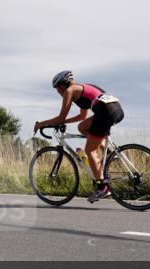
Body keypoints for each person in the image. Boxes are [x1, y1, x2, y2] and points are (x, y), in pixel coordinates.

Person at [34, 70, 124, 202]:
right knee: (82, 127)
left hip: (104, 112)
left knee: (90, 150)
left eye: (58, 88)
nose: (58, 92)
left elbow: (60, 117)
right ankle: (109, 151)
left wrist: (41, 124)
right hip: (115, 109)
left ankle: (102, 188)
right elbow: (82, 116)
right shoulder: (81, 89)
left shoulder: (69, 91)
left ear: (64, 84)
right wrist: (63, 121)